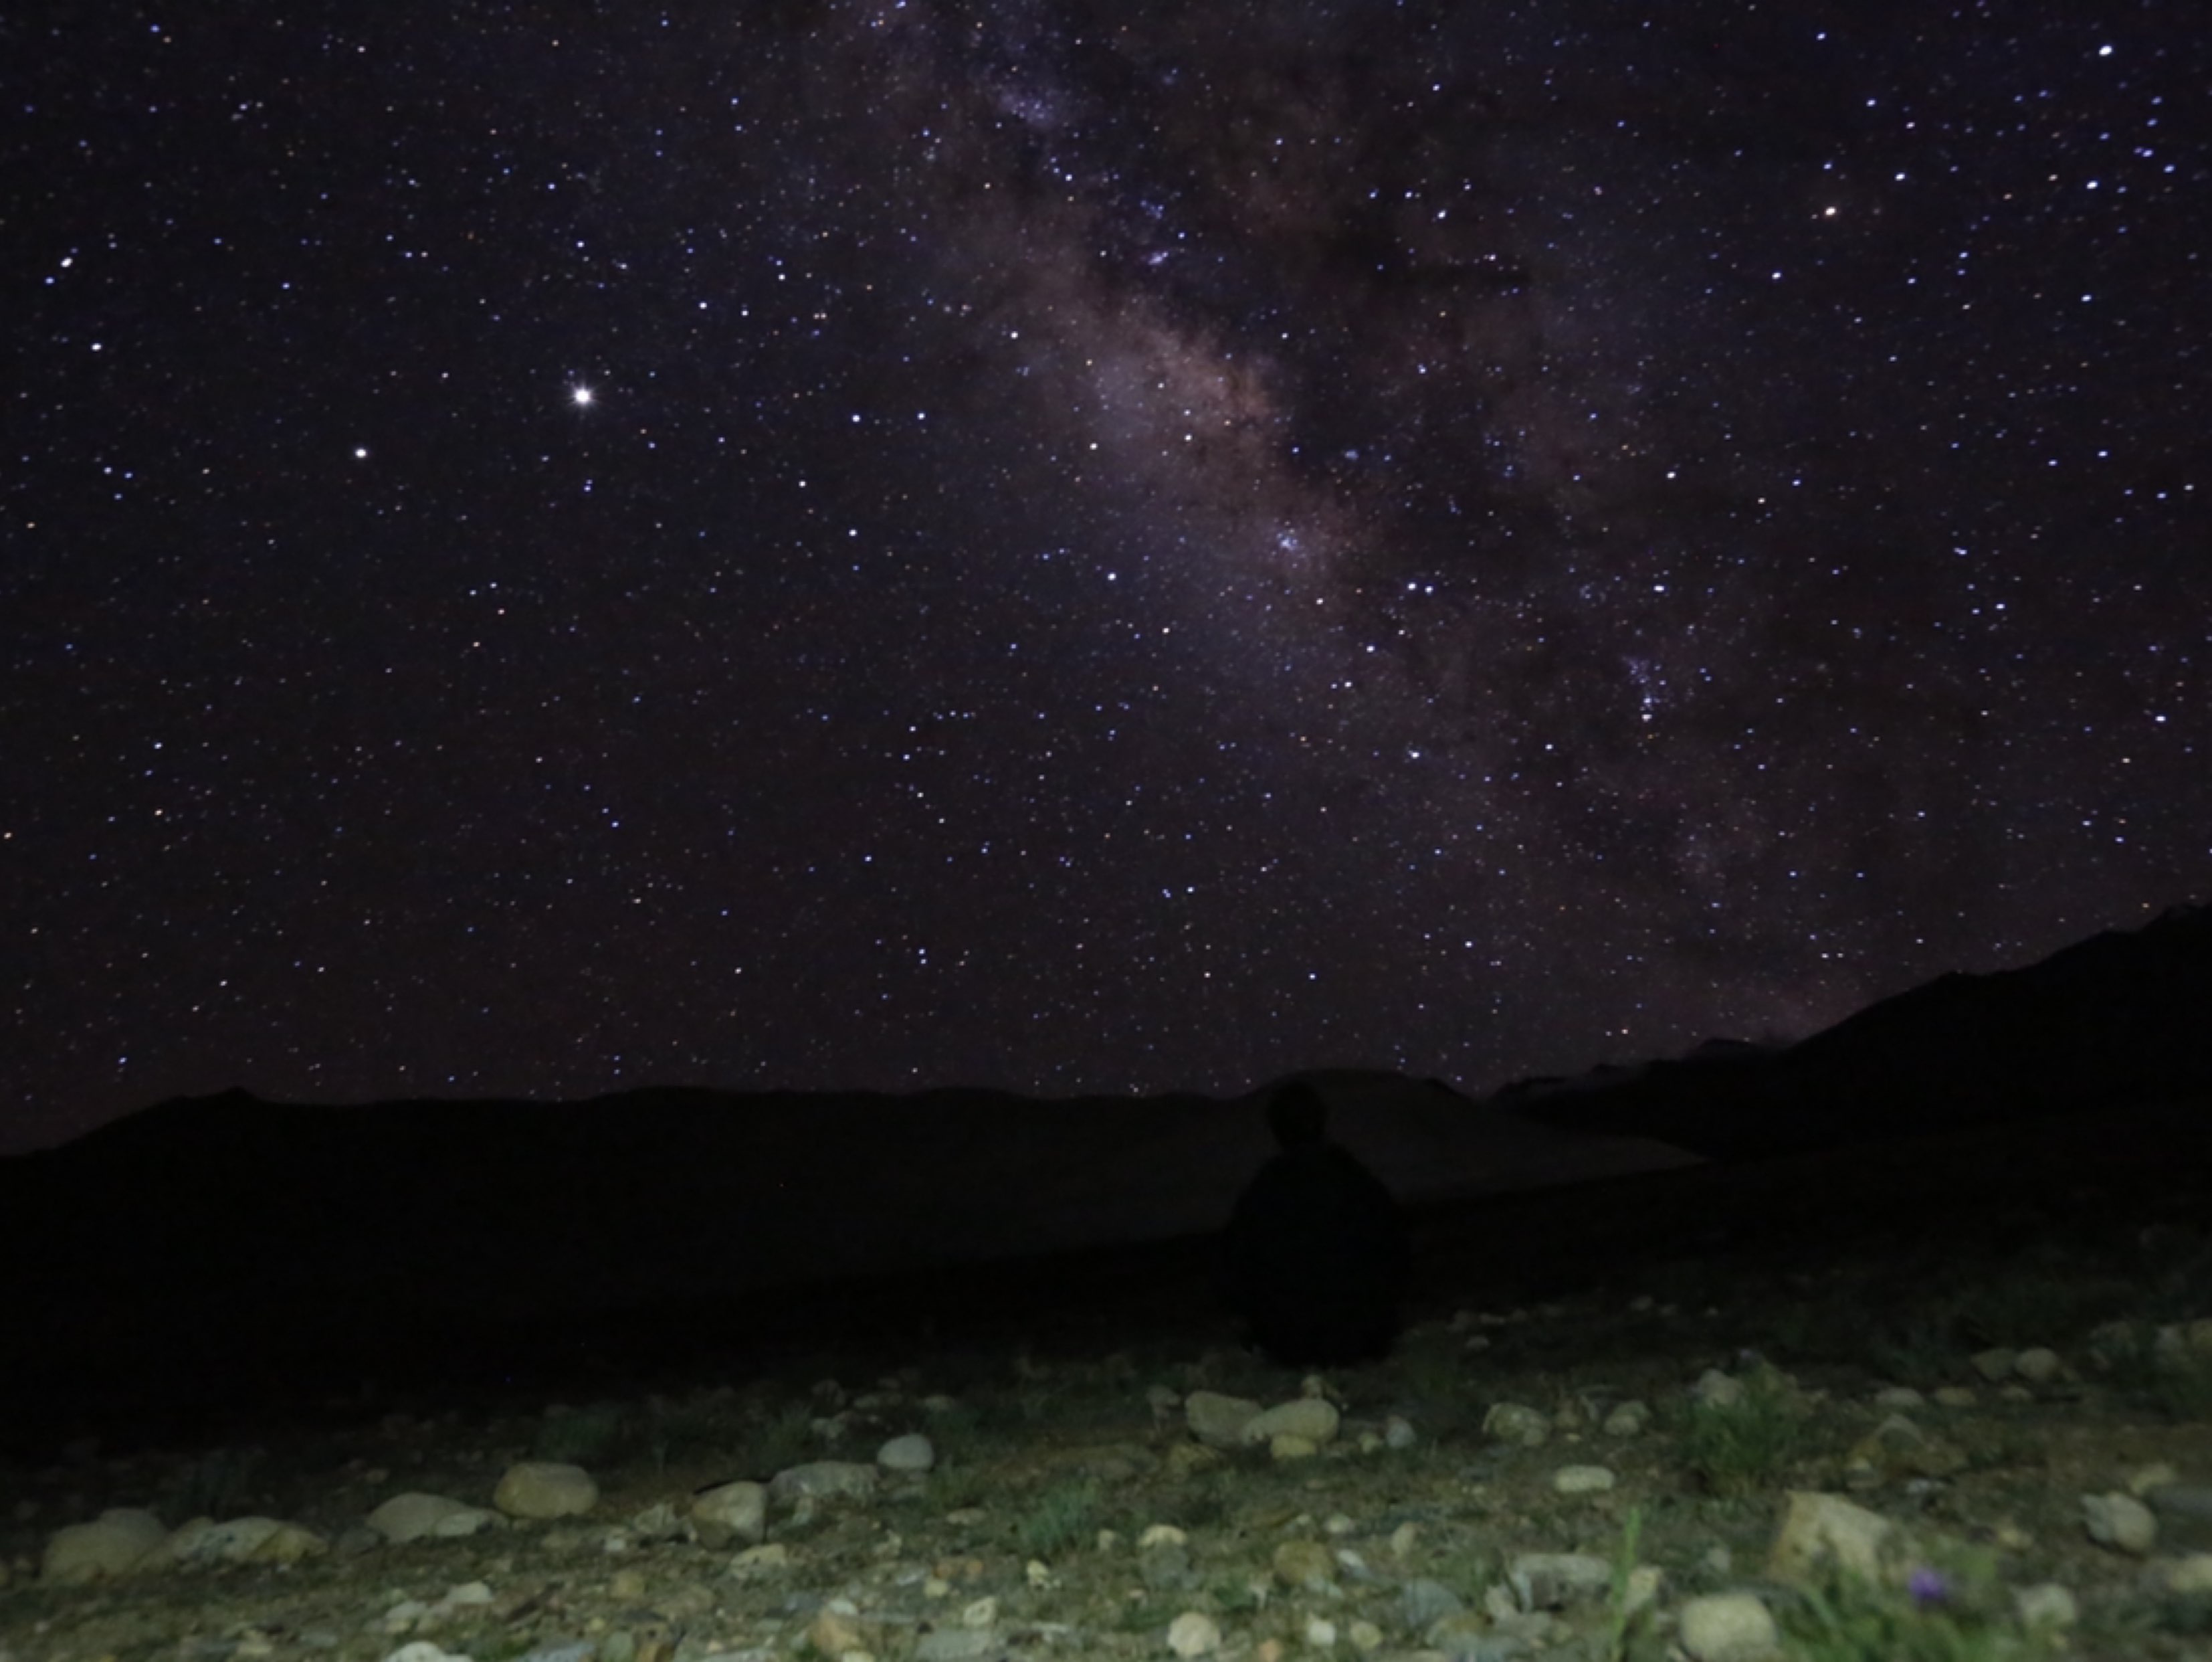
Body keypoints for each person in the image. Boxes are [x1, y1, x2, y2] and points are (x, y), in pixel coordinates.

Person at [1223, 1080, 1411, 1364]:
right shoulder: (1355, 1179)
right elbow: (1396, 1248)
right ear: (1322, 1121)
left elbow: (1235, 1267)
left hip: (1291, 1344)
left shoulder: (1265, 1190)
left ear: (1277, 1130)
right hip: (1363, 1337)